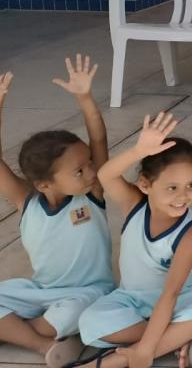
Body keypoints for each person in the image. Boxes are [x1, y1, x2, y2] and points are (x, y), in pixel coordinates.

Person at [77, 114, 192, 368]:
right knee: (90, 320)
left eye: (191, 185)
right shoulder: (133, 204)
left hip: (179, 299)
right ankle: (172, 341)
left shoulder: (191, 230)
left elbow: (171, 293)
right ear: (145, 184)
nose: (183, 196)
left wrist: (146, 349)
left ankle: (117, 360)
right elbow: (106, 175)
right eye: (172, 188)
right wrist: (138, 150)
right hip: (131, 297)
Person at [0, 59, 114, 368]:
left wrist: (85, 98)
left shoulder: (92, 193)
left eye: (89, 162)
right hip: (41, 291)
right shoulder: (27, 201)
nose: (91, 171)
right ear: (44, 183)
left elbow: (100, 140)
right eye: (80, 170)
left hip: (90, 293)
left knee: (69, 314)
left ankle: (23, 333)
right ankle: (41, 343)